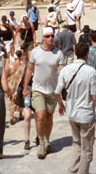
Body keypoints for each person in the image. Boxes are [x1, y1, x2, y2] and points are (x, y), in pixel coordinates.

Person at [55, 42, 96, 174]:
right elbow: (95, 97)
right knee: (87, 150)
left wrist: (61, 105)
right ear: (87, 54)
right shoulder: (90, 71)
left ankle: (72, 171)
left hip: (72, 114)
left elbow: (57, 92)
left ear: (75, 53)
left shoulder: (65, 70)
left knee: (76, 144)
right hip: (86, 115)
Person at [23, 26, 64, 159]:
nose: (50, 38)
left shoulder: (59, 53)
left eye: (52, 35)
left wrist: (62, 89)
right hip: (38, 89)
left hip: (52, 90)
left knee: (49, 117)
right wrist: (25, 88)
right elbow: (29, 70)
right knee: (40, 115)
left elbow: (62, 72)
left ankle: (47, 140)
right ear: (42, 38)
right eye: (47, 36)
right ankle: (41, 143)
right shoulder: (35, 52)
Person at [6, 49, 25, 124]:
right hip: (19, 84)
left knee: (11, 100)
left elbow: (6, 75)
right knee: (20, 99)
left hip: (11, 84)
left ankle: (11, 116)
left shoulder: (10, 65)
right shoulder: (23, 66)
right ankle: (20, 114)